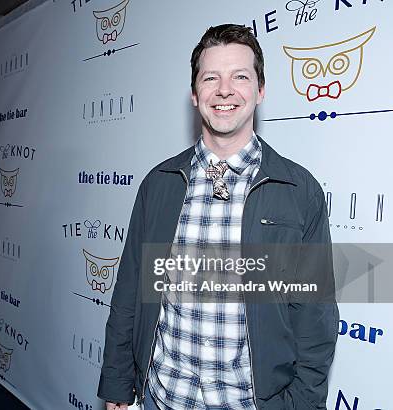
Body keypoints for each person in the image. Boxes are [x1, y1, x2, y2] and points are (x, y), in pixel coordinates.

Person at [97, 24, 338, 409]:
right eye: (211, 77)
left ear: (260, 90)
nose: (225, 89)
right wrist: (116, 387)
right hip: (163, 398)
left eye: (240, 76)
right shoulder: (158, 185)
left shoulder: (299, 192)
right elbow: (128, 294)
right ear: (195, 94)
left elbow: (315, 322)